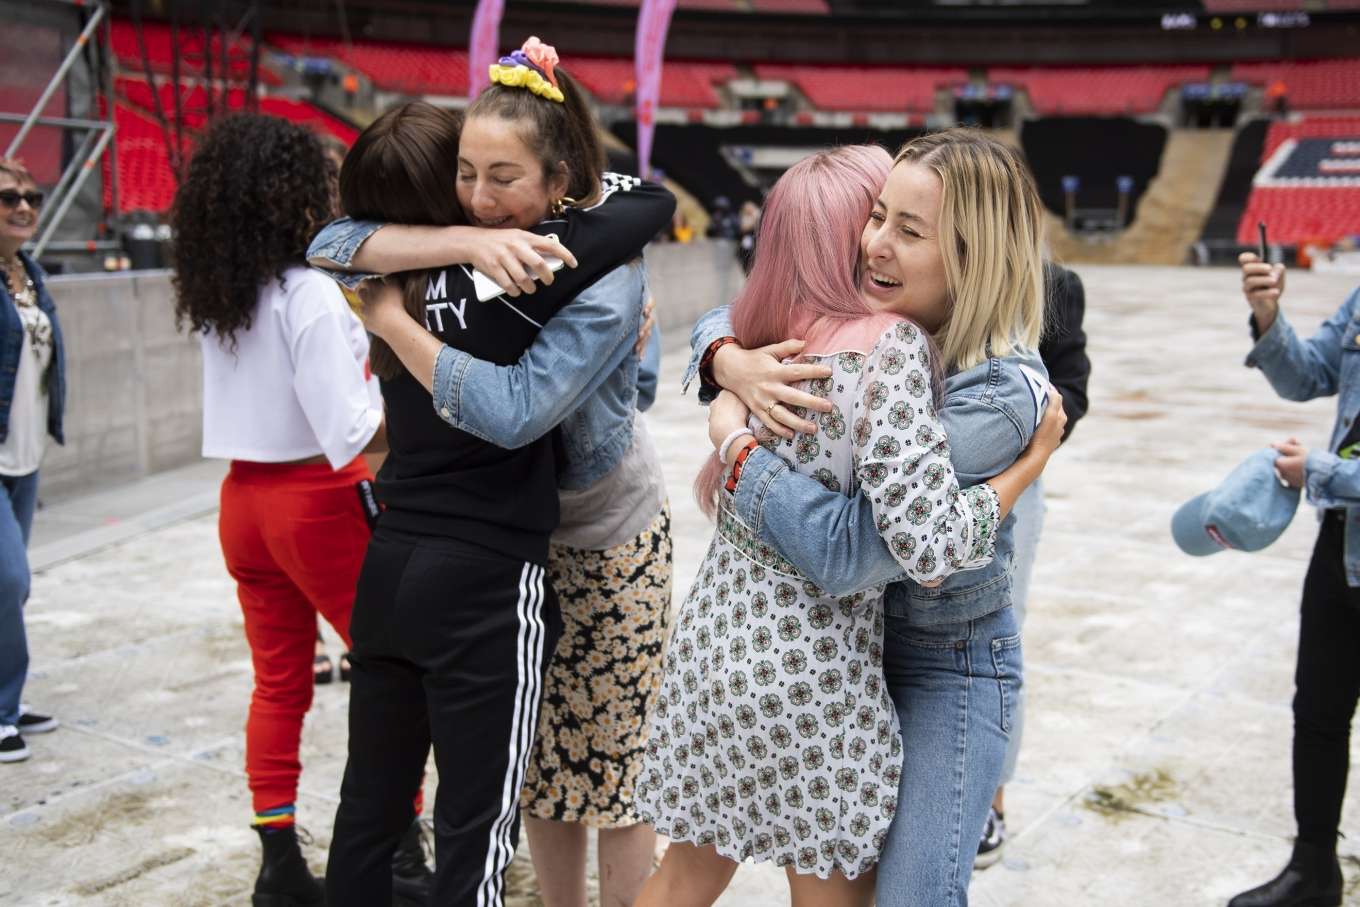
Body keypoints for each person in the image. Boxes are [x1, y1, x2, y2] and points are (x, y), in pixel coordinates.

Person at [634, 140, 1064, 907]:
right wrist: (726, 360)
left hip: (941, 664)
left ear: (974, 254)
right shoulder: (873, 335)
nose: (874, 244)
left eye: (908, 228)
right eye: (873, 217)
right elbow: (729, 313)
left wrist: (737, 448)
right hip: (845, 653)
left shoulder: (996, 392)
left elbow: (852, 551)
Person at [312, 64, 675, 904]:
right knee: (531, 776)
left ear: (558, 180)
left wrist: (395, 318)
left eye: (501, 176)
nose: (477, 196)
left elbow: (639, 199)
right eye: (464, 176)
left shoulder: (587, 269)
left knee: (613, 768)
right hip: (499, 558)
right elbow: (331, 244)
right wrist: (467, 243)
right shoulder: (465, 261)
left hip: (601, 534)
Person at [169, 114, 390, 905]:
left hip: (243, 500)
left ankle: (278, 858)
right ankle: (400, 848)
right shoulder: (312, 294)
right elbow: (354, 433)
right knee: (395, 672)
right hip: (316, 501)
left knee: (278, 684)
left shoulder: (226, 293)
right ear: (293, 194)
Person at [1225, 252, 1358, 907]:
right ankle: (1314, 870)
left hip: (1339, 505)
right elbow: (1307, 375)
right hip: (1343, 544)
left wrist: (1324, 473)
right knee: (1319, 711)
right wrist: (1268, 314)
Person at [976, 261, 1091, 868]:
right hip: (925, 475)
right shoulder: (929, 267)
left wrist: (1019, 424)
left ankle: (990, 800)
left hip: (1016, 479)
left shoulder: (1052, 286)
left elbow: (1074, 385)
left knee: (998, 637)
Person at [0, 158, 64, 765]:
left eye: (32, 196)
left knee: (8, 592)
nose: (23, 206)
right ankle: (1, 709)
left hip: (25, 457)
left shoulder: (32, 276)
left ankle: (7, 702)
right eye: (7, 197)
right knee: (9, 579)